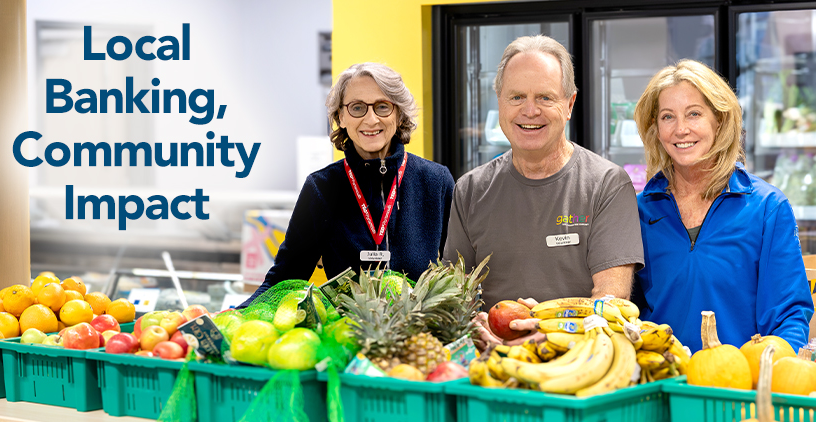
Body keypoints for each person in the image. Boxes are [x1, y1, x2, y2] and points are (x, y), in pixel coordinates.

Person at [444, 35, 644, 344]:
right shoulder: (470, 189)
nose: (530, 110)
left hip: (577, 365)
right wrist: (477, 327)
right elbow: (456, 296)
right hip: (492, 365)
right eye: (516, 97)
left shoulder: (607, 184)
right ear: (499, 102)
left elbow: (610, 301)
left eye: (545, 98)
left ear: (570, 104)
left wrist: (552, 329)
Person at [632, 59, 813, 352]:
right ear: (655, 128)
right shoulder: (639, 211)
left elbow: (789, 317)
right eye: (668, 117)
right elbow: (627, 315)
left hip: (738, 387)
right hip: (661, 383)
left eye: (694, 114)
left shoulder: (767, 208)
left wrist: (768, 377)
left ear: (719, 119)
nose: (681, 129)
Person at [240, 62, 455, 306]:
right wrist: (235, 317)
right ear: (341, 117)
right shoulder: (321, 188)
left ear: (398, 113)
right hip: (345, 336)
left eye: (383, 106)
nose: (371, 119)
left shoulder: (436, 181)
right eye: (357, 108)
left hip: (422, 336)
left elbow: (459, 274)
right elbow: (283, 279)